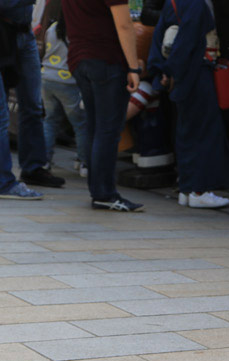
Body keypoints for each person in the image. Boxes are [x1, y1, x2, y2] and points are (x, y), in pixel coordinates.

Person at [147, 0, 229, 209]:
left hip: (182, 75)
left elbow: (159, 37)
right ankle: (200, 189)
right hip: (197, 72)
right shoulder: (196, 4)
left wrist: (163, 71)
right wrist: (172, 71)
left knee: (186, 132)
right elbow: (187, 42)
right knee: (205, 131)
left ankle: (187, 188)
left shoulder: (173, 2)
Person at [61, 0, 144, 211]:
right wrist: (134, 67)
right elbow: (125, 25)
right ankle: (104, 194)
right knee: (107, 130)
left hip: (80, 58)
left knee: (96, 127)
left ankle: (99, 191)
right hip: (106, 59)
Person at [0, 0, 66, 201]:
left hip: (24, 33)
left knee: (33, 104)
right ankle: (4, 182)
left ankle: (33, 167)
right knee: (1, 118)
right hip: (4, 32)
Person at [41, 11, 89, 178]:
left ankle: (44, 161)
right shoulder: (78, 29)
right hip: (68, 82)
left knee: (49, 121)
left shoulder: (52, 28)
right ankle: (84, 163)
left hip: (47, 78)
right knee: (80, 123)